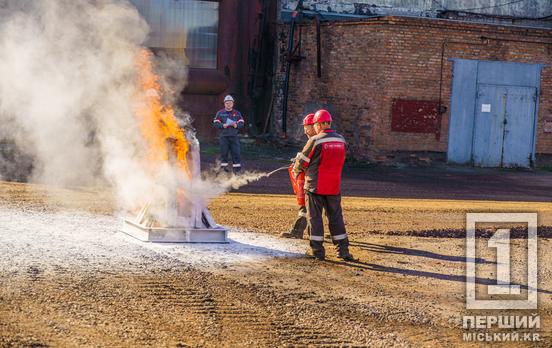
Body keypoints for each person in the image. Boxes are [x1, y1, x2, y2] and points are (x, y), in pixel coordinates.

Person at [293, 109, 354, 261]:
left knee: (315, 218)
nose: (313, 128)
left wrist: (296, 169)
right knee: (336, 218)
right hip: (334, 186)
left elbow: (302, 162)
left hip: (314, 186)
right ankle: (343, 250)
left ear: (319, 124)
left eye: (314, 125)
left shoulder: (315, 140)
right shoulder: (341, 140)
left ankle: (318, 251)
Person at [280, 113, 317, 239]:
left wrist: (297, 165)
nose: (305, 130)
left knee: (305, 205)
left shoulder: (314, 140)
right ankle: (317, 232)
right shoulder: (323, 139)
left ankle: (297, 231)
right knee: (322, 207)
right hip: (325, 179)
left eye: (307, 126)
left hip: (312, 179)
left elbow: (303, 162)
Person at [213, 95, 244, 173]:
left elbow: (242, 122)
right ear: (224, 104)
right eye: (227, 103)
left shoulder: (237, 113)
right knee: (224, 154)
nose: (229, 104)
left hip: (234, 137)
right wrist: (222, 125)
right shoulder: (220, 113)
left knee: (236, 154)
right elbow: (215, 123)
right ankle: (223, 171)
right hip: (224, 137)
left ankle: (237, 172)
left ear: (233, 104)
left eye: (230, 103)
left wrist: (236, 125)